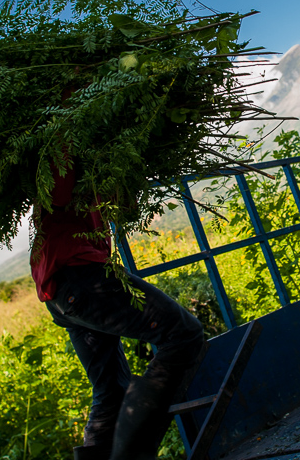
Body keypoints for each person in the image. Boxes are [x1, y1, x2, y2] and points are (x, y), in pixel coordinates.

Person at [30, 159, 204, 460]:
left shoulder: (96, 154)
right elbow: (57, 195)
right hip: (80, 276)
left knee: (111, 389)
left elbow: (124, 209)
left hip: (65, 290)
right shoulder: (64, 145)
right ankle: (133, 454)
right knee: (183, 334)